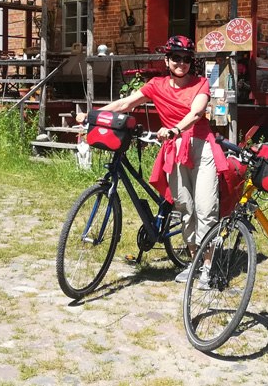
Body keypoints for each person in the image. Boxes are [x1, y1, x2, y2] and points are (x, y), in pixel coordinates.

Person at [79, 35, 225, 286]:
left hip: (201, 149)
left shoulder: (201, 84)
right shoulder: (156, 85)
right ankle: (193, 263)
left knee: (205, 209)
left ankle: (208, 267)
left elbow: (197, 111)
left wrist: (175, 129)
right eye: (176, 58)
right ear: (167, 60)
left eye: (187, 59)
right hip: (174, 150)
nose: (181, 63)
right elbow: (126, 102)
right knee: (185, 209)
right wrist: (94, 115)